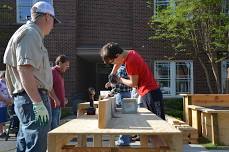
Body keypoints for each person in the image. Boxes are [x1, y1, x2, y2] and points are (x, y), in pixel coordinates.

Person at [3, 1, 60, 151]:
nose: (53, 25)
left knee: (26, 143)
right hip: (32, 98)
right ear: (47, 17)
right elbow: (24, 69)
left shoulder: (28, 33)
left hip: (27, 98)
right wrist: (37, 103)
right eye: (54, 20)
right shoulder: (30, 33)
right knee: (36, 146)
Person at [100, 42, 165, 120]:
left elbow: (133, 83)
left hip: (151, 94)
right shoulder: (130, 53)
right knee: (154, 121)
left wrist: (119, 79)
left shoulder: (130, 62)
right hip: (148, 92)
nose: (114, 64)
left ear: (117, 56)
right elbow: (118, 63)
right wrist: (112, 74)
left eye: (112, 62)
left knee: (159, 121)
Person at [49, 55, 70, 130]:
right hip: (52, 105)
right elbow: (49, 87)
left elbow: (58, 89)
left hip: (57, 106)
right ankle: (51, 142)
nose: (68, 67)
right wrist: (55, 99)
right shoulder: (52, 71)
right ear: (60, 63)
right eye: (66, 65)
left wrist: (63, 98)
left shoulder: (59, 74)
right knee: (53, 127)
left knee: (56, 126)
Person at [0, 71, 12, 138]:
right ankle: (1, 132)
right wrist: (6, 100)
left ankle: (4, 132)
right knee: (1, 120)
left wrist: (9, 101)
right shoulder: (0, 83)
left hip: (5, 104)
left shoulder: (5, 83)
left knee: (4, 120)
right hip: (1, 104)